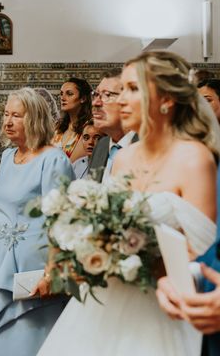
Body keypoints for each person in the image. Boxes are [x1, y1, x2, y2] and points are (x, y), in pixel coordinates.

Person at [37, 51, 218, 356]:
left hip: (162, 304)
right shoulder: (123, 157)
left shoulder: (194, 159)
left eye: (132, 89)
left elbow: (204, 252)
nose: (120, 99)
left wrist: (137, 260)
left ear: (166, 100)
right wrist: (90, 249)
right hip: (107, 298)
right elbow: (106, 223)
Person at [0, 87, 74, 356]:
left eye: (17, 116)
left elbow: (61, 222)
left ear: (34, 119)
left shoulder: (54, 159)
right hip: (0, 261)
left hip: (33, 267)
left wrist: (51, 273)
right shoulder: (8, 157)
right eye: (6, 114)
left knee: (30, 340)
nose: (8, 122)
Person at [87, 69, 137, 182]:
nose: (96, 102)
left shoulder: (146, 146)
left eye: (107, 95)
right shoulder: (101, 146)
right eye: (96, 95)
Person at [51, 77, 92, 163]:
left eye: (69, 94)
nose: (62, 98)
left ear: (83, 98)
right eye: (61, 94)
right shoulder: (58, 127)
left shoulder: (89, 127)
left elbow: (72, 163)